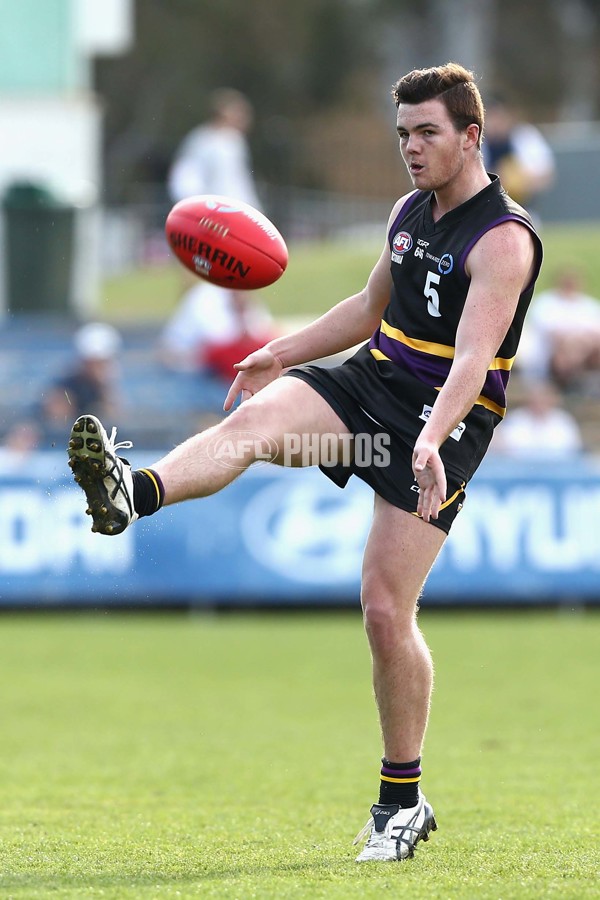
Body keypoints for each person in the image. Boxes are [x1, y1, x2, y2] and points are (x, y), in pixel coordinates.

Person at [67, 63, 542, 862]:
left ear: (471, 135)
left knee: (386, 610)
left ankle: (402, 803)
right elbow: (365, 310)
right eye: (402, 135)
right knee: (255, 422)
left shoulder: (504, 239)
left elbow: (471, 359)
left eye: (427, 133)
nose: (411, 149)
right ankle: (131, 490)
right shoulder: (406, 213)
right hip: (370, 384)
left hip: (442, 425)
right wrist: (277, 352)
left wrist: (430, 441)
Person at [159, 280, 277, 379]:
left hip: (222, 372)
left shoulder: (247, 299)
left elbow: (263, 334)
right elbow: (217, 347)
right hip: (194, 373)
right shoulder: (205, 297)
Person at [167, 88, 261, 208]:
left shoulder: (235, 141)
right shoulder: (202, 140)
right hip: (213, 214)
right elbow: (185, 179)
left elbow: (240, 185)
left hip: (236, 212)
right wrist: (198, 208)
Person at [41, 322, 123, 445]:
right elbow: (58, 423)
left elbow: (116, 418)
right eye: (94, 362)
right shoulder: (66, 385)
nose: (98, 367)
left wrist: (104, 388)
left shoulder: (104, 386)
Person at [519, 267, 600, 390]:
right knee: (565, 351)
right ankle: (566, 383)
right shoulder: (545, 302)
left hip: (585, 352)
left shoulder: (589, 305)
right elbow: (552, 334)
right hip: (550, 353)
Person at [482, 94, 555, 213]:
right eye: (490, 117)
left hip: (523, 209)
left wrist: (521, 180)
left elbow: (547, 175)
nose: (495, 123)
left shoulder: (525, 137)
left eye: (499, 117)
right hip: (486, 211)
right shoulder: (477, 143)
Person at [491, 380, 583, 459]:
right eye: (537, 397)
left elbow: (571, 450)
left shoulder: (564, 421)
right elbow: (506, 449)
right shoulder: (515, 420)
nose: (540, 402)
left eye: (544, 397)